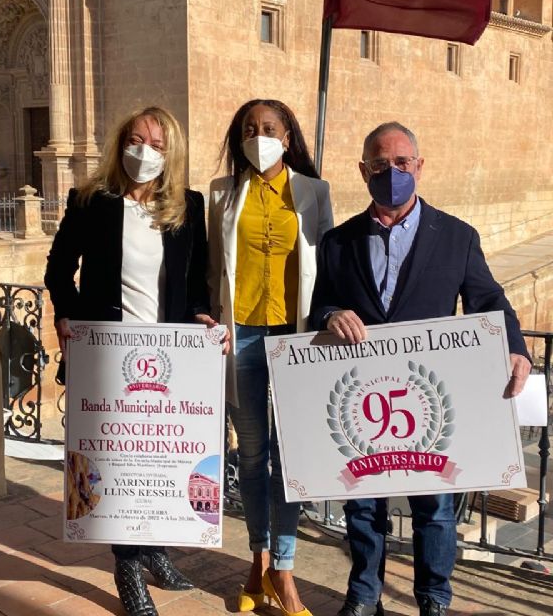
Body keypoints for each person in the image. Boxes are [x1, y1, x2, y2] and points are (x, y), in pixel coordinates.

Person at [310, 121, 531, 616]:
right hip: (365, 400)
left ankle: (433, 598)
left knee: (434, 507)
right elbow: (319, 305)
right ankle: (364, 595)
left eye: (402, 163)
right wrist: (330, 315)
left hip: (428, 403)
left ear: (420, 167)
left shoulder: (456, 237)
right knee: (363, 505)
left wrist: (516, 347)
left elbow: (488, 299)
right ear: (363, 170)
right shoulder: (337, 243)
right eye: (381, 164)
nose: (392, 173)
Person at [44, 106, 227, 616]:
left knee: (161, 460)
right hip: (108, 354)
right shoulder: (90, 202)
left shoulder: (186, 207)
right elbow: (59, 269)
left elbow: (194, 286)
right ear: (120, 143)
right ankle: (128, 567)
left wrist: (202, 320)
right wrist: (68, 317)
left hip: (168, 359)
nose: (143, 152)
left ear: (171, 153)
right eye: (135, 140)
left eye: (156, 144)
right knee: (117, 461)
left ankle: (155, 551)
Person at [209, 99, 333, 616]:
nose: (258, 136)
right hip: (239, 338)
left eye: (269, 128)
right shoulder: (221, 193)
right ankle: (256, 562)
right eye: (249, 129)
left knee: (291, 460)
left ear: (288, 136)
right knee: (253, 456)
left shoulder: (313, 192)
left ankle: (285, 567)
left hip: (295, 339)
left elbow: (327, 263)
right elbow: (209, 266)